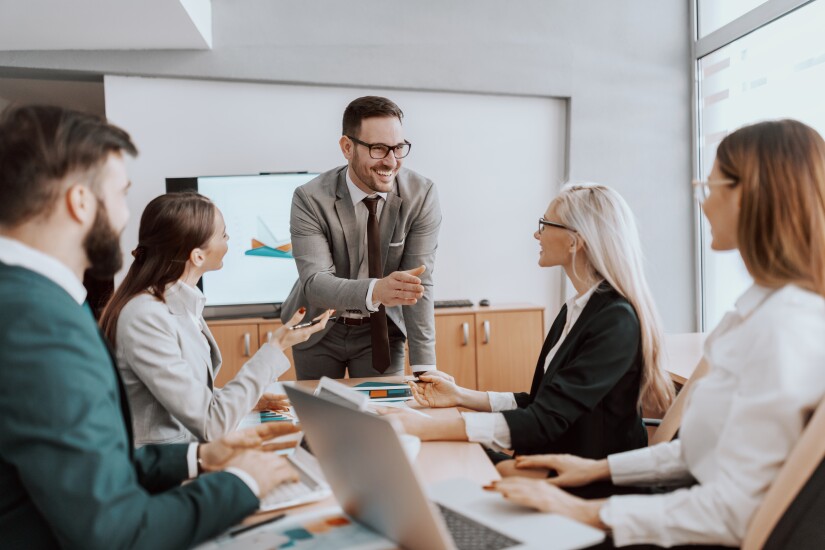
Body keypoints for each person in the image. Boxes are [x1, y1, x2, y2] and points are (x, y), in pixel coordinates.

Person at [488, 119, 825, 549]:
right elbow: (697, 453)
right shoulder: (750, 315)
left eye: (711, 185)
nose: (703, 203)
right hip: (680, 508)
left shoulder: (787, 328)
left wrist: (587, 511)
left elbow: (734, 509)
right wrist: (595, 469)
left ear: (750, 195)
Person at [0, 105, 307, 548]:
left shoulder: (37, 305)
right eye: (121, 194)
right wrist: (242, 483)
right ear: (80, 202)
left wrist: (196, 458)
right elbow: (115, 533)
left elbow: (88, 468)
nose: (126, 218)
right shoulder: (41, 328)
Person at [382, 184, 674, 467]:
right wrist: (460, 396)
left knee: (440, 461)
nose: (537, 234)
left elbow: (545, 420)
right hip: (550, 459)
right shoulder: (575, 310)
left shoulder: (615, 321)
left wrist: (427, 427)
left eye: (545, 224)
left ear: (575, 240)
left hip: (581, 480)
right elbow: (539, 403)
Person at [99, 192, 332, 446]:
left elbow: (184, 395)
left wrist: (250, 400)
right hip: (166, 467)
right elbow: (212, 424)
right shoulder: (145, 316)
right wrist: (275, 346)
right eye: (223, 235)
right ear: (198, 256)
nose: (228, 241)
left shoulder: (179, 304)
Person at [281, 95, 442, 379]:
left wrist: (424, 367)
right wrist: (376, 291)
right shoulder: (310, 198)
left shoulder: (421, 195)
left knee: (381, 418)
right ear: (347, 147)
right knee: (320, 417)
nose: (392, 162)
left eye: (399, 148)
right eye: (379, 149)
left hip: (382, 331)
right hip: (320, 327)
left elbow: (418, 283)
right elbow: (316, 283)